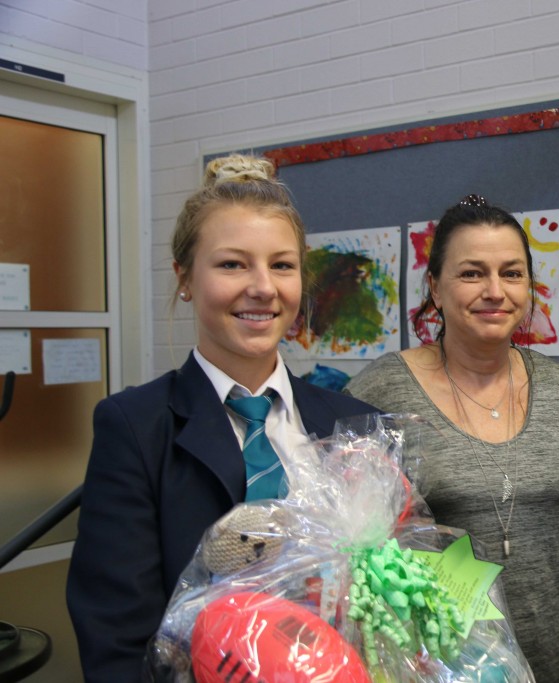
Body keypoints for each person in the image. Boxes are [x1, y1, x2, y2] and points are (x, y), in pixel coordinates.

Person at [66, 154, 376, 681]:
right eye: (232, 264)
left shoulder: (357, 424)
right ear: (184, 277)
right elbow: (116, 640)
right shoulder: (136, 427)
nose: (262, 287)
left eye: (282, 265)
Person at [345, 194, 559, 683]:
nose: (494, 291)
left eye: (512, 273)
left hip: (558, 655)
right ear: (436, 288)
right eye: (471, 273)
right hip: (443, 664)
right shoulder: (381, 392)